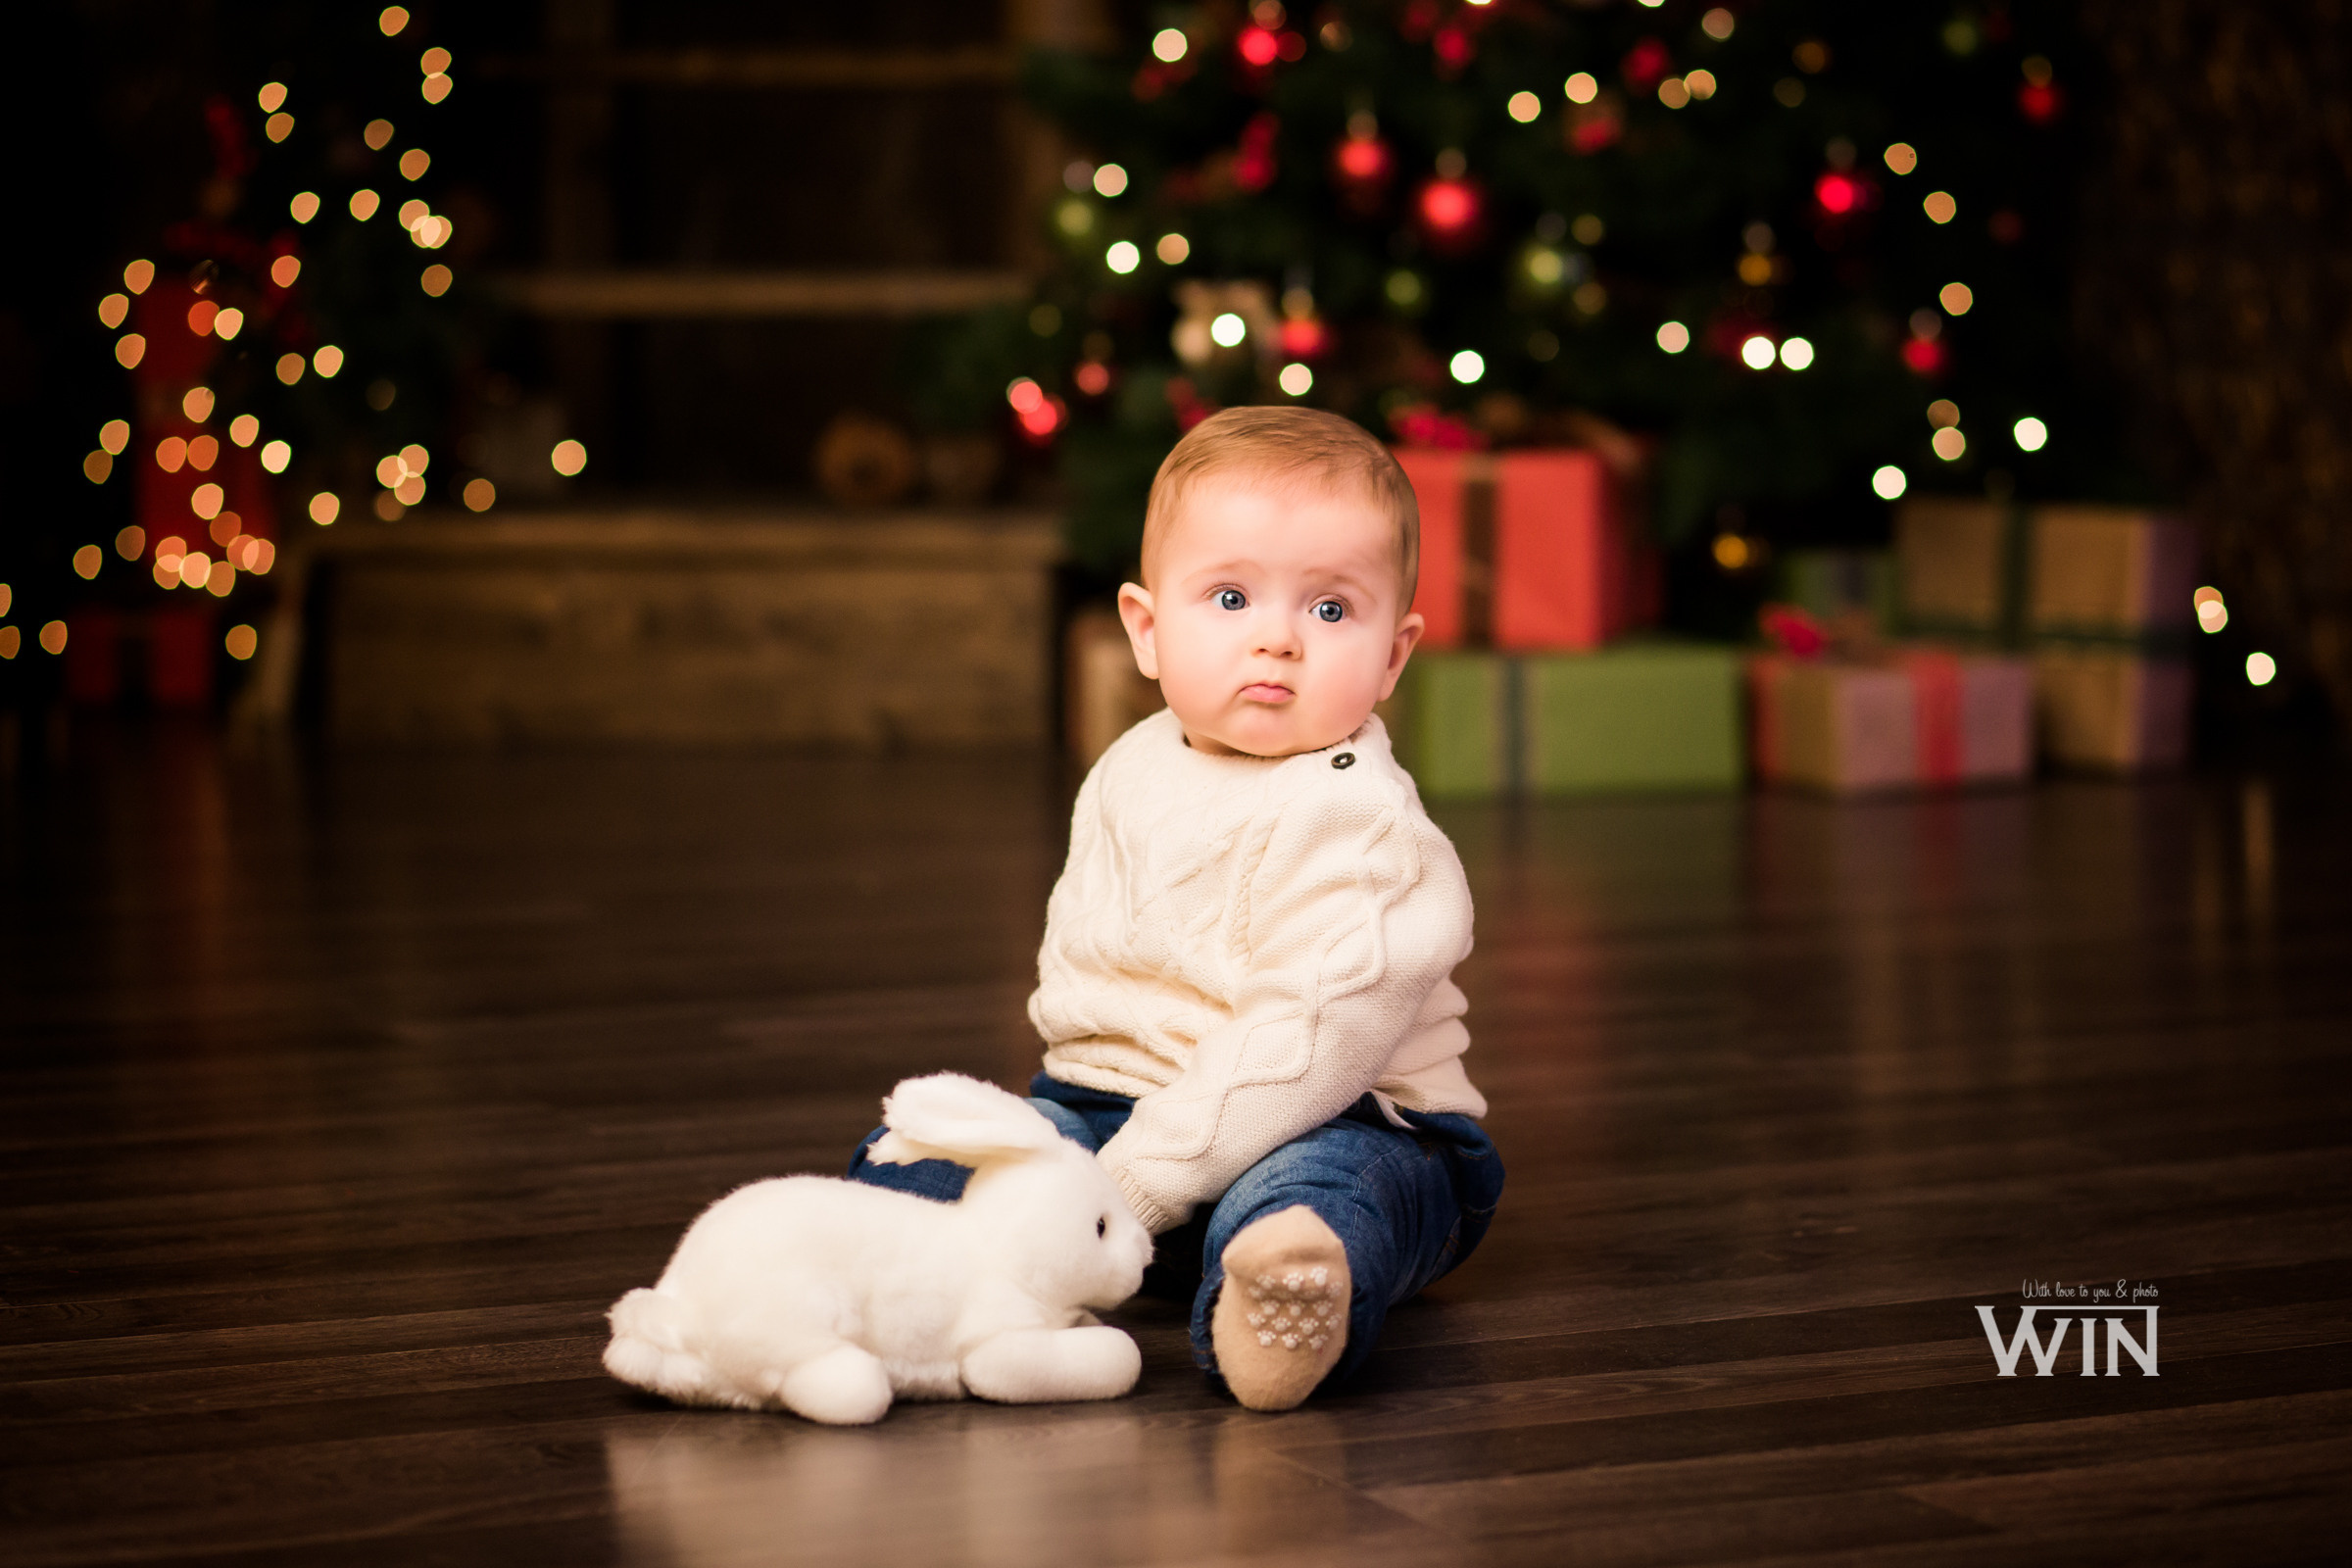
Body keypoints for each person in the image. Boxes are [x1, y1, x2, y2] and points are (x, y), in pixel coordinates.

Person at [850, 406, 1501, 1410]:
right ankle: (888, 1252)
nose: (1277, 639)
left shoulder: (1364, 825)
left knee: (1325, 1194)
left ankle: (1288, 1287)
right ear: (1147, 630)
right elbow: (1090, 976)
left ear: (1393, 654)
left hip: (1346, 1117)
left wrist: (1121, 1195)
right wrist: (1051, 1140)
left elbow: (1302, 1045)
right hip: (1119, 1111)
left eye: (1330, 610)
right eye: (1232, 596)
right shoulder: (1132, 765)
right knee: (930, 1154)